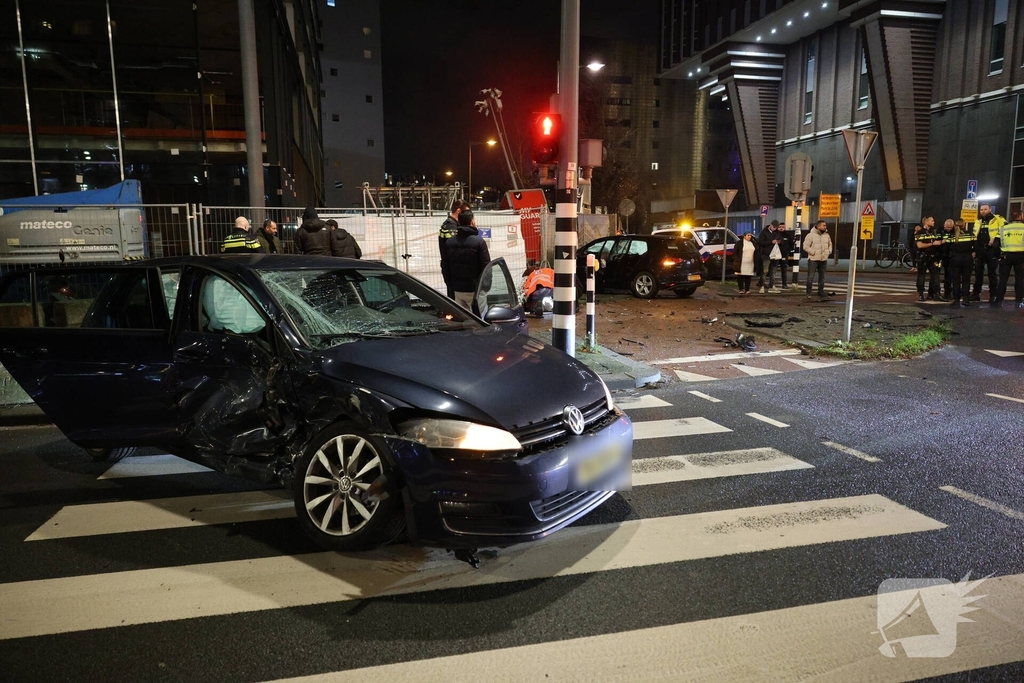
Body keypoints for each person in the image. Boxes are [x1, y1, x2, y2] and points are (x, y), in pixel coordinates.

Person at [445, 209, 491, 310]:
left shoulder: (450, 242)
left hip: (457, 289)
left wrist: (450, 284)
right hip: (475, 289)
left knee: (464, 320)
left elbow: (445, 266)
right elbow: (486, 266)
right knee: (480, 320)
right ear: (472, 222)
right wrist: (485, 287)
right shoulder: (479, 242)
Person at [971, 203, 1006, 301]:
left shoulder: (997, 218)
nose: (983, 211)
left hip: (992, 250)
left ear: (990, 209)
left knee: (992, 273)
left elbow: (1004, 229)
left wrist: (995, 239)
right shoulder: (978, 221)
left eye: (985, 209)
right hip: (980, 250)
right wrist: (974, 249)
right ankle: (976, 294)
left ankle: (993, 295)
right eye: (981, 209)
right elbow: (975, 235)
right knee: (978, 273)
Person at [991, 210, 1024, 308]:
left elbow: (996, 244)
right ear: (1020, 216)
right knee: (1020, 279)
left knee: (1003, 280)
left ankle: (999, 300)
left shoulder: (1003, 228)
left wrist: (998, 256)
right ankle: (1019, 301)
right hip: (1021, 257)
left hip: (1006, 256)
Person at [439, 199, 470, 298]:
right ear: (458, 211)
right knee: (456, 300)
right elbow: (455, 251)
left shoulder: (449, 224)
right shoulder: (451, 227)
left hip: (450, 269)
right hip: (453, 271)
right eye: (466, 212)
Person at [946, 219, 976, 308]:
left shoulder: (952, 236)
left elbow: (946, 249)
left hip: (955, 259)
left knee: (956, 281)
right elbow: (977, 247)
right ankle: (966, 299)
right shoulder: (970, 234)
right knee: (966, 280)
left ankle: (956, 300)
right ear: (964, 225)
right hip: (967, 259)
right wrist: (973, 253)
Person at [914, 215, 943, 301]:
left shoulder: (933, 232)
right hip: (923, 257)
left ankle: (936, 294)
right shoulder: (920, 232)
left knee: (936, 275)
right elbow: (919, 245)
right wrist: (932, 244)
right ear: (926, 222)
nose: (934, 222)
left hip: (933, 257)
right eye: (932, 220)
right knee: (921, 275)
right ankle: (921, 294)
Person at [804, 220, 832, 299]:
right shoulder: (810, 235)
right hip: (813, 259)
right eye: (823, 225)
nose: (825, 227)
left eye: (825, 225)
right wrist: (813, 252)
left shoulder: (826, 235)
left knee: (822, 276)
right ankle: (808, 292)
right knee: (810, 276)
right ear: (818, 226)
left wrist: (828, 252)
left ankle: (821, 291)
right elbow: (805, 246)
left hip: (823, 259)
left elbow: (830, 245)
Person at [757, 220, 779, 293]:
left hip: (775, 255)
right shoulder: (764, 232)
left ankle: (772, 285)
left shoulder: (776, 233)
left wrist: (779, 241)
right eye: (773, 227)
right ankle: (762, 286)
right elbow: (760, 242)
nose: (774, 229)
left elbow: (781, 239)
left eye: (775, 228)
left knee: (773, 271)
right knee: (765, 271)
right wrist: (770, 242)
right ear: (770, 225)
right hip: (766, 255)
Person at [940, 219, 955, 299]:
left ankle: (948, 293)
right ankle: (934, 293)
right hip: (941, 255)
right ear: (944, 225)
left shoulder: (955, 231)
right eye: (947, 227)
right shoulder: (940, 230)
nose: (949, 229)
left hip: (950, 257)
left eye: (950, 227)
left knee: (949, 276)